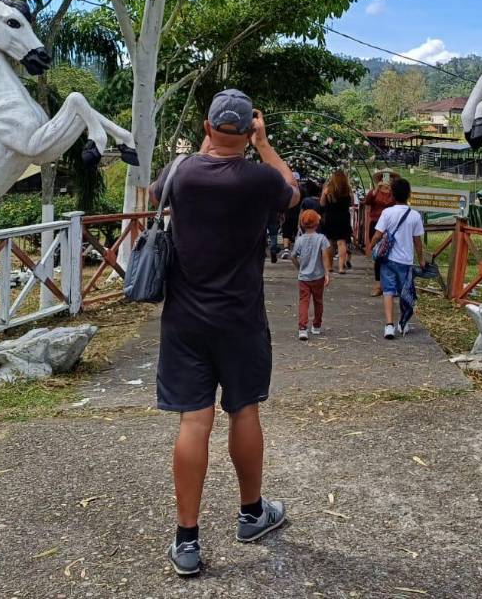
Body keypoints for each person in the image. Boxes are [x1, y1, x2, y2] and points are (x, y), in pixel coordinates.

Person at [149, 89, 300, 577]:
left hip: (185, 320)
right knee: (243, 410)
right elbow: (292, 190)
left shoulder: (181, 172)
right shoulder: (259, 180)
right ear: (248, 130)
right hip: (240, 319)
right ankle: (252, 514)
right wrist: (265, 145)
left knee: (194, 423)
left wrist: (204, 145)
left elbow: (158, 194)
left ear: (209, 126)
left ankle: (187, 541)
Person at [369, 177, 427, 340]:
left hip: (387, 260)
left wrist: (372, 249)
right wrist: (421, 259)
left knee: (388, 291)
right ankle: (403, 323)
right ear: (409, 194)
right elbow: (417, 241)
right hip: (406, 260)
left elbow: (378, 235)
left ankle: (389, 325)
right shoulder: (415, 215)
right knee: (404, 292)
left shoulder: (387, 213)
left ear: (392, 195)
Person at [289, 209, 332, 340]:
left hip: (303, 277)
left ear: (302, 223)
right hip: (318, 276)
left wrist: (299, 267)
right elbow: (325, 256)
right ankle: (317, 325)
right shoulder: (322, 239)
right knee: (318, 301)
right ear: (317, 223)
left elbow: (293, 256)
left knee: (304, 301)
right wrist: (327, 272)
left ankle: (302, 328)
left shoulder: (299, 240)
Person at [362, 176, 396, 297]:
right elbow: (367, 201)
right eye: (384, 177)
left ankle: (391, 283)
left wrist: (391, 189)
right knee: (378, 253)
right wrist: (376, 189)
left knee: (391, 254)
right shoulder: (375, 191)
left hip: (391, 225)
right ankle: (378, 284)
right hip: (376, 223)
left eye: (389, 178)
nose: (386, 180)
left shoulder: (394, 192)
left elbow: (397, 203)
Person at [319, 170, 353, 274]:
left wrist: (324, 194)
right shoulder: (348, 190)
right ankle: (341, 267)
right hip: (343, 218)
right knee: (342, 243)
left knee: (330, 242)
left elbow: (322, 204)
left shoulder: (328, 190)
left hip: (330, 217)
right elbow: (351, 203)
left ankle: (329, 266)